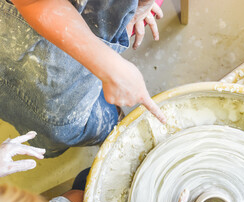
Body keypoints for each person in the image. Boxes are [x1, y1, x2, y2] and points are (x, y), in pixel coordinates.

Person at [0, 0, 165, 158]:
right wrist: (111, 66)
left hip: (97, 15)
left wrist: (141, 6)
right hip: (34, 20)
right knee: (58, 125)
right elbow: (33, 2)